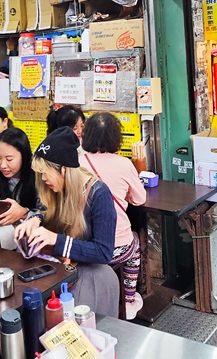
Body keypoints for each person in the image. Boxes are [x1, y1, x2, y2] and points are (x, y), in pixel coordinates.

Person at [15, 127, 119, 317]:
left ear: (64, 170)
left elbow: (104, 252)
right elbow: (46, 212)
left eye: (46, 173)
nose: (43, 179)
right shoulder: (55, 189)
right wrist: (35, 220)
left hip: (91, 274)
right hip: (61, 268)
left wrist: (56, 240)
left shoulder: (99, 195)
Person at [79, 112, 146, 319]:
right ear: (116, 138)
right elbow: (139, 199)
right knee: (134, 246)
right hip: (116, 249)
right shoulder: (124, 164)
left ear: (86, 136)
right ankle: (128, 299)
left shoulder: (76, 161)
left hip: (84, 246)